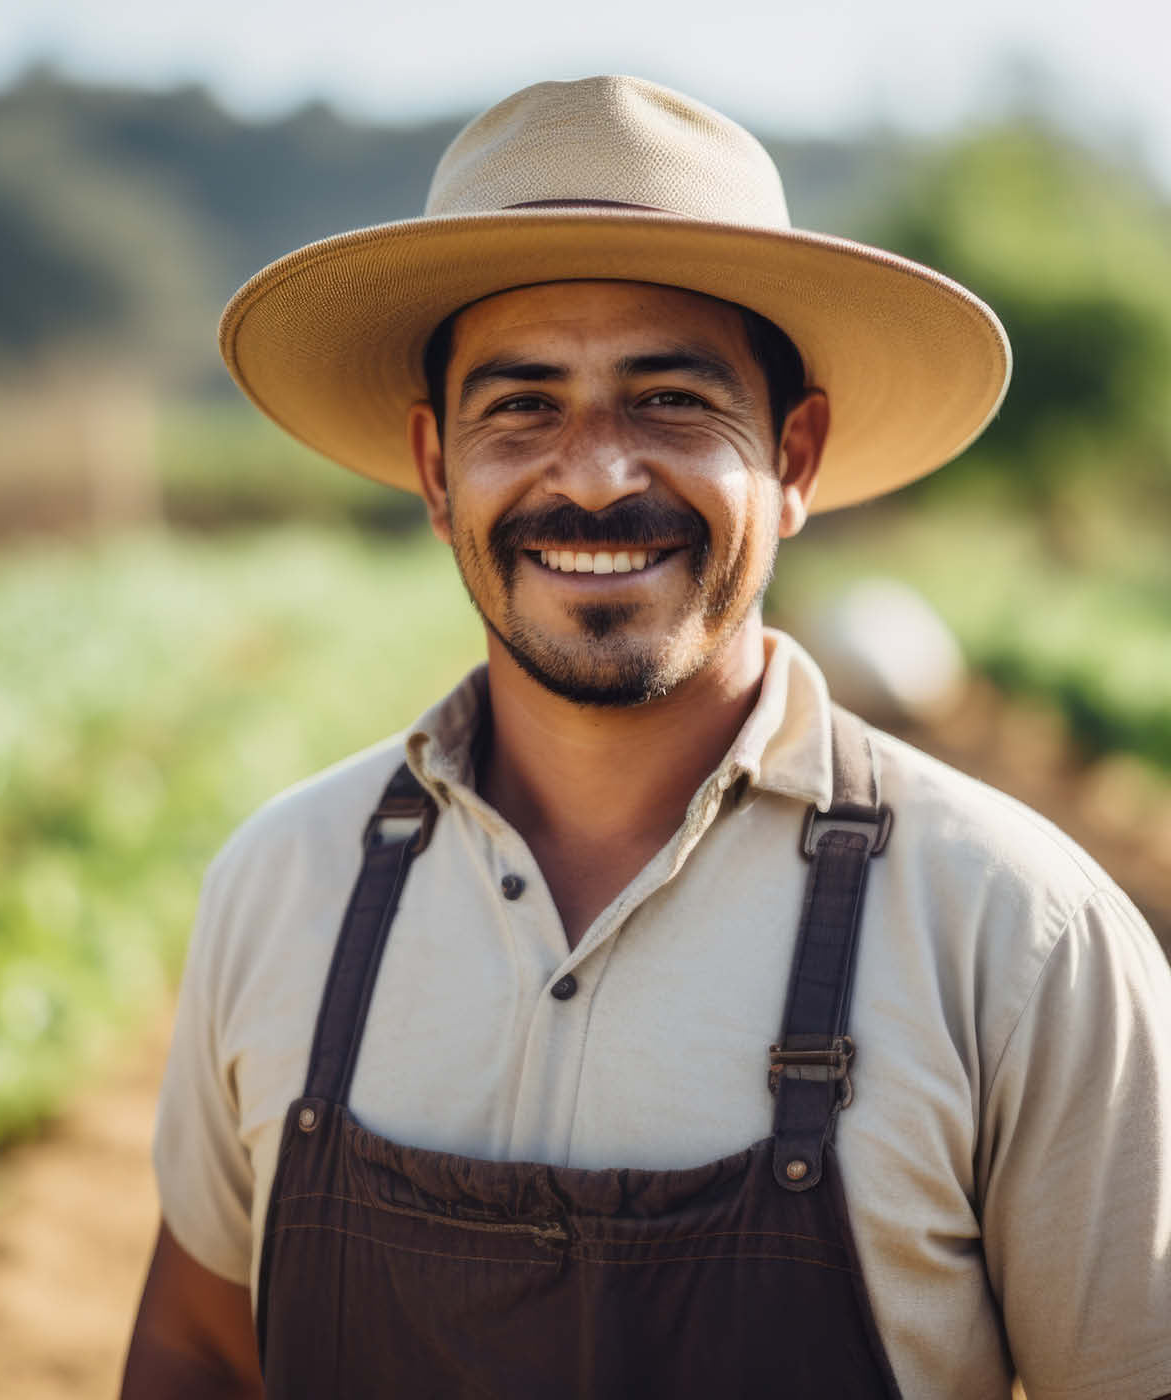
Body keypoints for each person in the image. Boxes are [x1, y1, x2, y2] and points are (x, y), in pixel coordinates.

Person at [121, 76, 1171, 1400]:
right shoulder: (283, 886)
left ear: (795, 459)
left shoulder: (1017, 938)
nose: (597, 473)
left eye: (671, 399)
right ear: (437, 470)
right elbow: (202, 1351)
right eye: (523, 406)